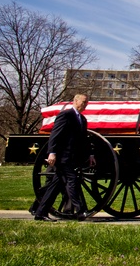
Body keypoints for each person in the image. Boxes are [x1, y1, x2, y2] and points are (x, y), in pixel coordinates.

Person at [33, 93, 95, 221]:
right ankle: (81, 211)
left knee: (54, 186)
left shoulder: (82, 119)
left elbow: (84, 140)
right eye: (83, 102)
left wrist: (90, 154)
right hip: (62, 157)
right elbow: (55, 135)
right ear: (75, 101)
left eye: (87, 102)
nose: (85, 104)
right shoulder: (66, 115)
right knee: (72, 181)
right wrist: (52, 152)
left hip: (72, 158)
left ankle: (40, 212)